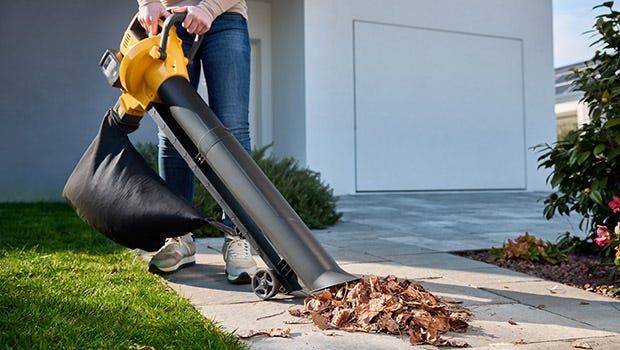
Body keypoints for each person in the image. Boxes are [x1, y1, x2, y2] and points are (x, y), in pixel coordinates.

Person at [135, 0, 257, 284]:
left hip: (225, 18)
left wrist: (210, 8)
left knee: (233, 130)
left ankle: (237, 235)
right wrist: (148, 2)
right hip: (168, 19)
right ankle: (179, 235)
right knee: (173, 130)